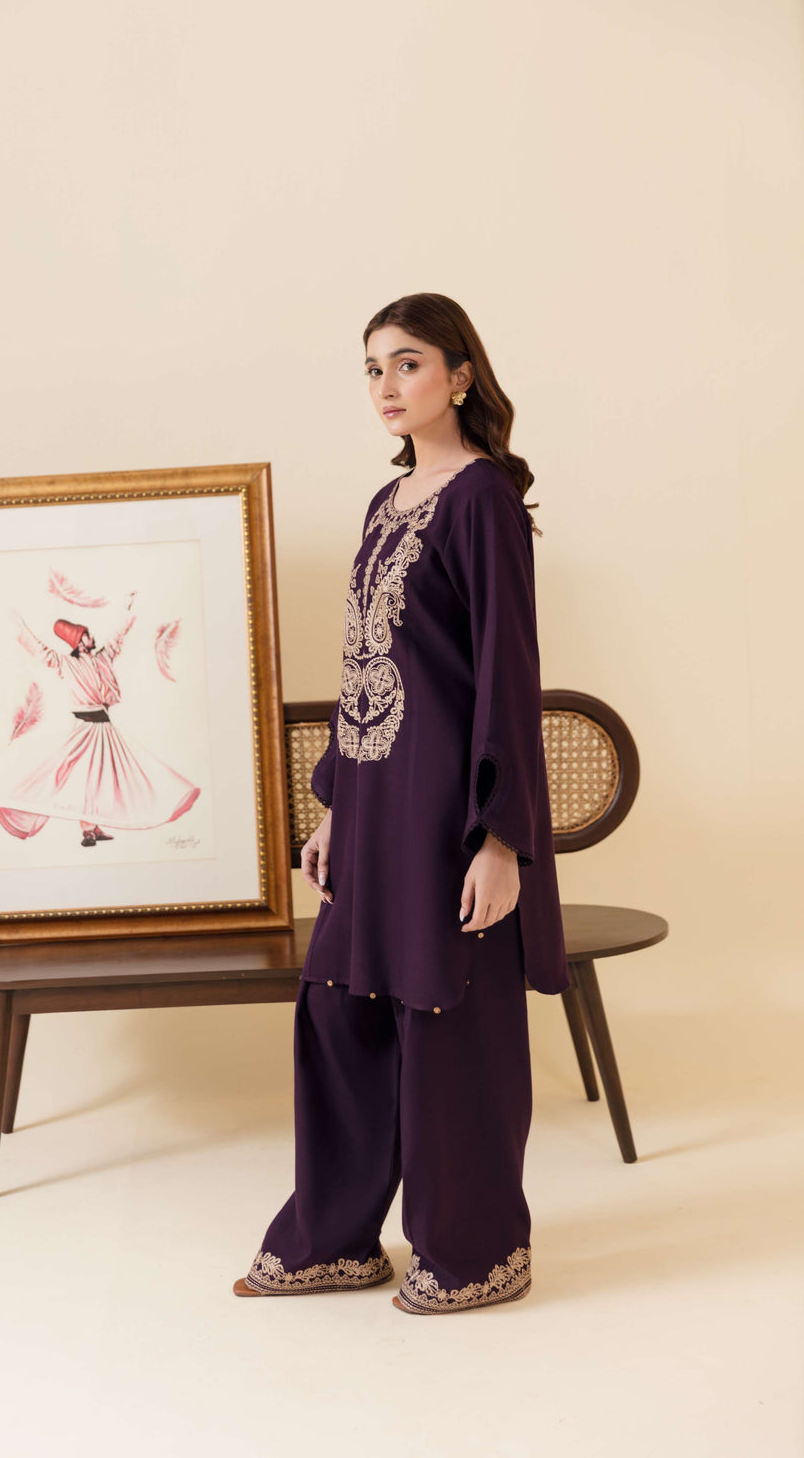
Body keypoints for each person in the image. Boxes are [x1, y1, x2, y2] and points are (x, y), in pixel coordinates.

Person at [234, 292, 569, 1315]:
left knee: (447, 1021)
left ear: (460, 376)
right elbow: (364, 667)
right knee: (342, 1011)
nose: (386, 386)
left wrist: (501, 838)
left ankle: (474, 1250)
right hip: (377, 808)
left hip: (445, 814)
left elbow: (506, 674)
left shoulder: (482, 502)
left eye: (408, 363)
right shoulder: (389, 503)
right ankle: (334, 1239)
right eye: (373, 368)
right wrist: (337, 805)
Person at [0, 601, 200, 843]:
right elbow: (40, 650)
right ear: (80, 642)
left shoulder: (102, 658)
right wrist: (20, 625)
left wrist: (128, 609)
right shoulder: (66, 663)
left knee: (103, 776)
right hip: (84, 728)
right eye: (87, 635)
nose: (92, 638)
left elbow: (117, 638)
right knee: (67, 774)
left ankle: (92, 827)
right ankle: (68, 823)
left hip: (103, 727)